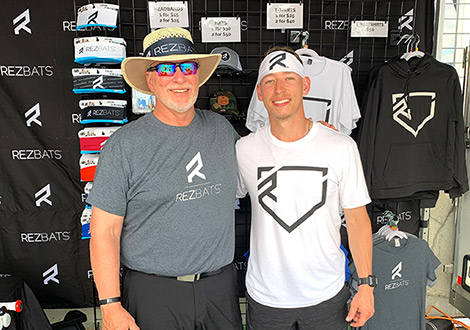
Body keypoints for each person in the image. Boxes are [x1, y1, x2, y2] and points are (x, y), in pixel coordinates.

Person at [87, 27, 242, 330]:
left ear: (197, 75)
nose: (179, 78)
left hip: (219, 290)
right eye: (167, 68)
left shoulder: (222, 130)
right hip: (153, 294)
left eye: (187, 67)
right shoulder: (124, 145)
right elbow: (104, 232)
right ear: (150, 79)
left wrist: (308, 133)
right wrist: (110, 304)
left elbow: (268, 155)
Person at [236, 46, 375, 330]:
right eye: (270, 81)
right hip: (266, 298)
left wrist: (366, 285)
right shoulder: (244, 150)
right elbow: (220, 199)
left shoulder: (340, 147)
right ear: (260, 93)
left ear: (305, 85)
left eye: (289, 78)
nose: (279, 89)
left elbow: (358, 219)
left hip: (326, 294)